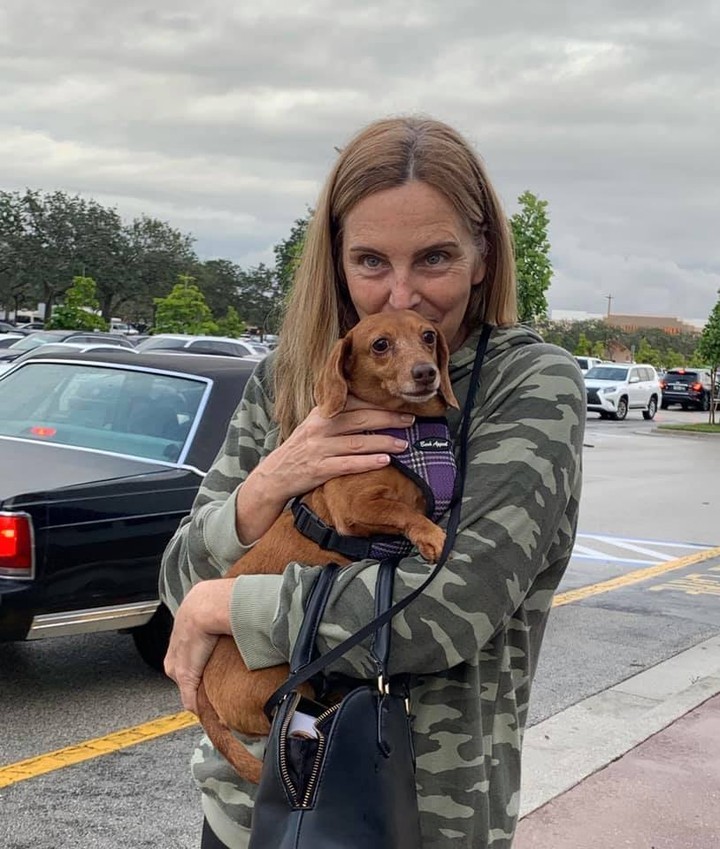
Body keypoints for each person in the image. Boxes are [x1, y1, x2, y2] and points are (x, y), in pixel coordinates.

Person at [160, 115, 585, 849]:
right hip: (249, 808)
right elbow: (176, 581)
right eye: (370, 262)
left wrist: (228, 604)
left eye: (435, 258)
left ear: (483, 256)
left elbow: (452, 607)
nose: (402, 295)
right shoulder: (287, 380)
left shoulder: (530, 384)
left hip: (419, 816)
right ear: (337, 261)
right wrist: (271, 482)